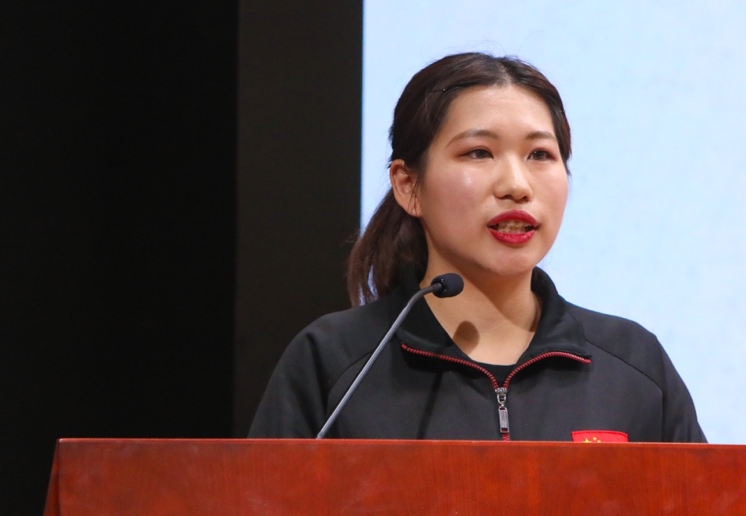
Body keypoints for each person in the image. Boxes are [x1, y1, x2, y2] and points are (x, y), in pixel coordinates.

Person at [249, 52, 705, 443]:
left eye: (540, 155)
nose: (516, 185)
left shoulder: (633, 366)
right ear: (408, 186)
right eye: (479, 153)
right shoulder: (334, 362)